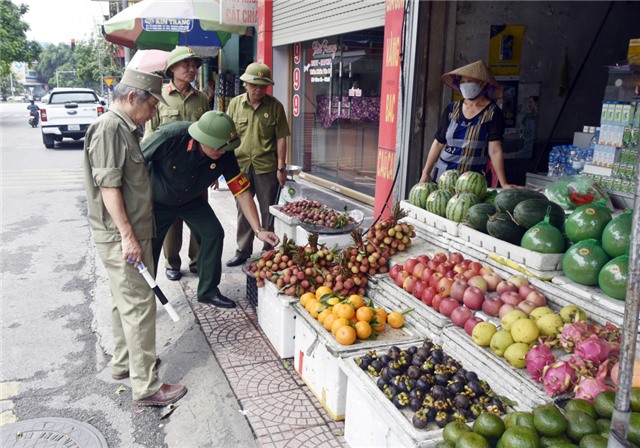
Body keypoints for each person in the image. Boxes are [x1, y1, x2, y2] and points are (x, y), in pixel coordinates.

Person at [83, 68, 187, 407]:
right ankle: (147, 386)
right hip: (121, 236)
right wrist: (128, 236)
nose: (154, 111)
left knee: (122, 301)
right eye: (152, 104)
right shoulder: (110, 128)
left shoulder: (124, 129)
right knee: (141, 306)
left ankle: (125, 363)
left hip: (130, 232)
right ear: (132, 98)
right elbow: (109, 186)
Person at [141, 111, 280, 308]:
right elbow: (135, 161)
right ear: (202, 139)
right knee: (149, 247)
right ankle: (142, 301)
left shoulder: (225, 150)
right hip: (158, 201)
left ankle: (208, 291)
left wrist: (259, 230)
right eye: (220, 147)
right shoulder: (170, 137)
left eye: (227, 147)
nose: (223, 152)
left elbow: (241, 191)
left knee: (213, 233)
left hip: (192, 200)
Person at [144, 46, 210, 282]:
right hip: (167, 172)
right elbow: (150, 136)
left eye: (195, 66)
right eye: (187, 65)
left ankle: (196, 260)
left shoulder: (202, 98)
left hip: (196, 171)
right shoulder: (159, 97)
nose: (192, 69)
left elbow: (208, 134)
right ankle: (172, 263)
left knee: (200, 217)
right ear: (172, 68)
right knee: (171, 221)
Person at [225, 62, 291, 267]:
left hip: (267, 167)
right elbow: (226, 134)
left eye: (263, 86)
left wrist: (281, 167)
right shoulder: (235, 104)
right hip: (240, 167)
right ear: (245, 84)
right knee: (243, 210)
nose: (258, 89)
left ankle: (267, 249)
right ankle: (243, 250)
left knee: (267, 209)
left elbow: (281, 137)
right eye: (254, 85)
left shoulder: (275, 106)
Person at [419, 60, 518, 189]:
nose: (465, 85)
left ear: (483, 83)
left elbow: (495, 150)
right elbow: (438, 142)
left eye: (470, 81)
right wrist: (425, 173)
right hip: (443, 176)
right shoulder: (452, 109)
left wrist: (504, 183)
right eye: (462, 82)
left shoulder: (493, 113)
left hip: (473, 180)